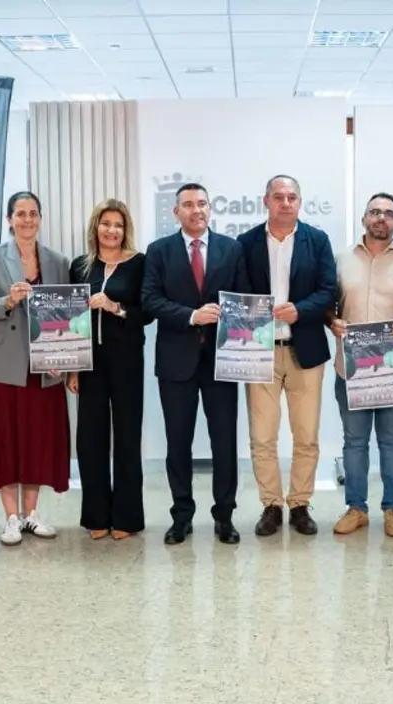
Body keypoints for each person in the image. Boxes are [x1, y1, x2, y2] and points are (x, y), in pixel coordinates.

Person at [142, 182, 249, 546]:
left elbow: (244, 300)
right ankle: (181, 516)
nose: (196, 210)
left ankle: (225, 517)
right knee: (178, 444)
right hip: (176, 363)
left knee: (225, 443)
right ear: (176, 212)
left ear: (210, 208)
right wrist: (191, 316)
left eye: (202, 203)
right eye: (188, 205)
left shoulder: (231, 249)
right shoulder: (158, 251)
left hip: (223, 362)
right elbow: (150, 300)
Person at [236, 175, 337, 537]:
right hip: (258, 351)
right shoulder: (245, 242)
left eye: (292, 196)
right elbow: (235, 291)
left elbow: (328, 292)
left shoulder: (318, 240)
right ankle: (270, 506)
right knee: (262, 436)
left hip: (304, 350)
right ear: (266, 201)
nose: (285, 202)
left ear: (300, 202)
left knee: (306, 434)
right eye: (278, 196)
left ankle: (299, 504)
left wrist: (302, 310)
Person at [0, 191, 70, 546]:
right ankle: (10, 518)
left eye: (33, 213)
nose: (27, 220)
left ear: (40, 218)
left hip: (45, 366)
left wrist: (69, 360)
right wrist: (8, 301)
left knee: (37, 441)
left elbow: (67, 313)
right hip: (0, 366)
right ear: (9, 219)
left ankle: (31, 515)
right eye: (20, 214)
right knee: (6, 441)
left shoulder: (58, 260)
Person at [328, 192, 393, 537]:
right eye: (374, 212)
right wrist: (332, 322)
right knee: (354, 442)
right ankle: (356, 508)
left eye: (388, 213)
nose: (381, 218)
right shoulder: (340, 259)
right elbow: (329, 306)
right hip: (350, 368)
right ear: (364, 220)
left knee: (391, 442)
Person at [68, 198, 151, 540]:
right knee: (90, 439)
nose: (111, 230)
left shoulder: (140, 264)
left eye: (118, 225)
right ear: (96, 228)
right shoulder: (80, 267)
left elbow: (148, 311)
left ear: (125, 229)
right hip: (89, 364)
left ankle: (127, 518)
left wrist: (116, 307)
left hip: (127, 360)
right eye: (106, 224)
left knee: (128, 438)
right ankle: (96, 516)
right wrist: (72, 367)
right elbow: (70, 319)